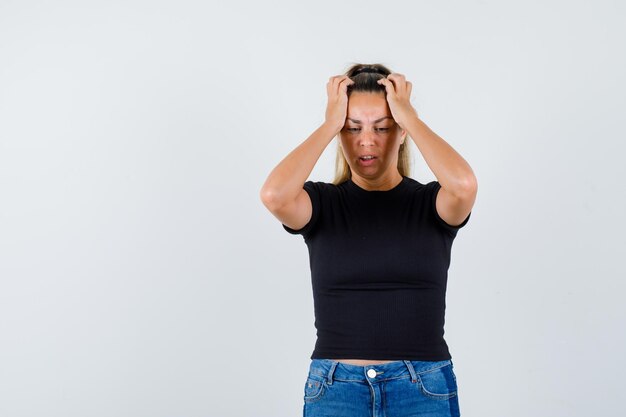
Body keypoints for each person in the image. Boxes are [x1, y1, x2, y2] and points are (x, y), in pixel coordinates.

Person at [259, 63, 477, 417]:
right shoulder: (322, 205)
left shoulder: (432, 204)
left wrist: (411, 117)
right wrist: (330, 123)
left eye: (383, 127)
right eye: (352, 128)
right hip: (335, 390)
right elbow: (274, 195)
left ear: (402, 131)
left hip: (422, 388)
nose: (366, 140)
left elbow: (465, 186)